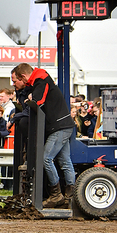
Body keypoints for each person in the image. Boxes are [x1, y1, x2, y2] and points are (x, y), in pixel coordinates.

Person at [12, 63, 76, 207]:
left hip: (59, 127)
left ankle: (56, 195)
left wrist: (30, 99)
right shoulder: (41, 78)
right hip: (63, 125)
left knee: (45, 158)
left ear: (23, 76)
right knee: (65, 161)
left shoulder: (41, 80)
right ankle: (71, 196)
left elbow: (38, 101)